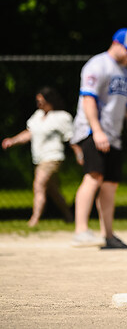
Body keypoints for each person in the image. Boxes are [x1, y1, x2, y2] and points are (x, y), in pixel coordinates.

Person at [70, 28, 127, 248]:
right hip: (92, 131)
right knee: (94, 176)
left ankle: (109, 235)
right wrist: (97, 130)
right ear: (116, 44)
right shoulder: (97, 65)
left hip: (113, 136)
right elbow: (88, 99)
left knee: (110, 184)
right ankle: (80, 230)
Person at [1, 86, 74, 227]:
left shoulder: (62, 117)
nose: (39, 104)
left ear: (50, 100)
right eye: (38, 101)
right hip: (39, 158)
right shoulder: (37, 116)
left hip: (53, 157)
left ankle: (34, 220)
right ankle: (69, 216)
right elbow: (29, 133)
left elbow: (70, 138)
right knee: (53, 191)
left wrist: (79, 153)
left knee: (39, 185)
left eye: (42, 101)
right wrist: (13, 140)